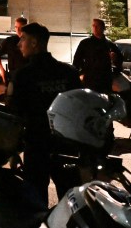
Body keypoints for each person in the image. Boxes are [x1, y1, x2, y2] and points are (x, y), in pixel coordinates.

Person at [7, 22, 81, 206]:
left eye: (23, 39)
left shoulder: (22, 76)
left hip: (36, 146)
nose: (19, 44)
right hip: (66, 147)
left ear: (34, 43)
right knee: (70, 202)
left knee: (35, 202)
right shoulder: (69, 73)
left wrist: (12, 150)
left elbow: (14, 115)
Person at [73, 18, 124, 94]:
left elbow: (119, 62)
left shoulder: (109, 44)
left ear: (103, 28)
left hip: (105, 80)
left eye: (97, 26)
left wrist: (115, 58)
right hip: (90, 78)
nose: (95, 28)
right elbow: (77, 61)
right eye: (93, 26)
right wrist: (81, 74)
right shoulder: (85, 43)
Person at [0, 16, 28, 88]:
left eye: (20, 27)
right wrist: (2, 71)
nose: (18, 30)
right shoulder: (9, 41)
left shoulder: (30, 41)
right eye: (16, 27)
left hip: (27, 77)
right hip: (13, 77)